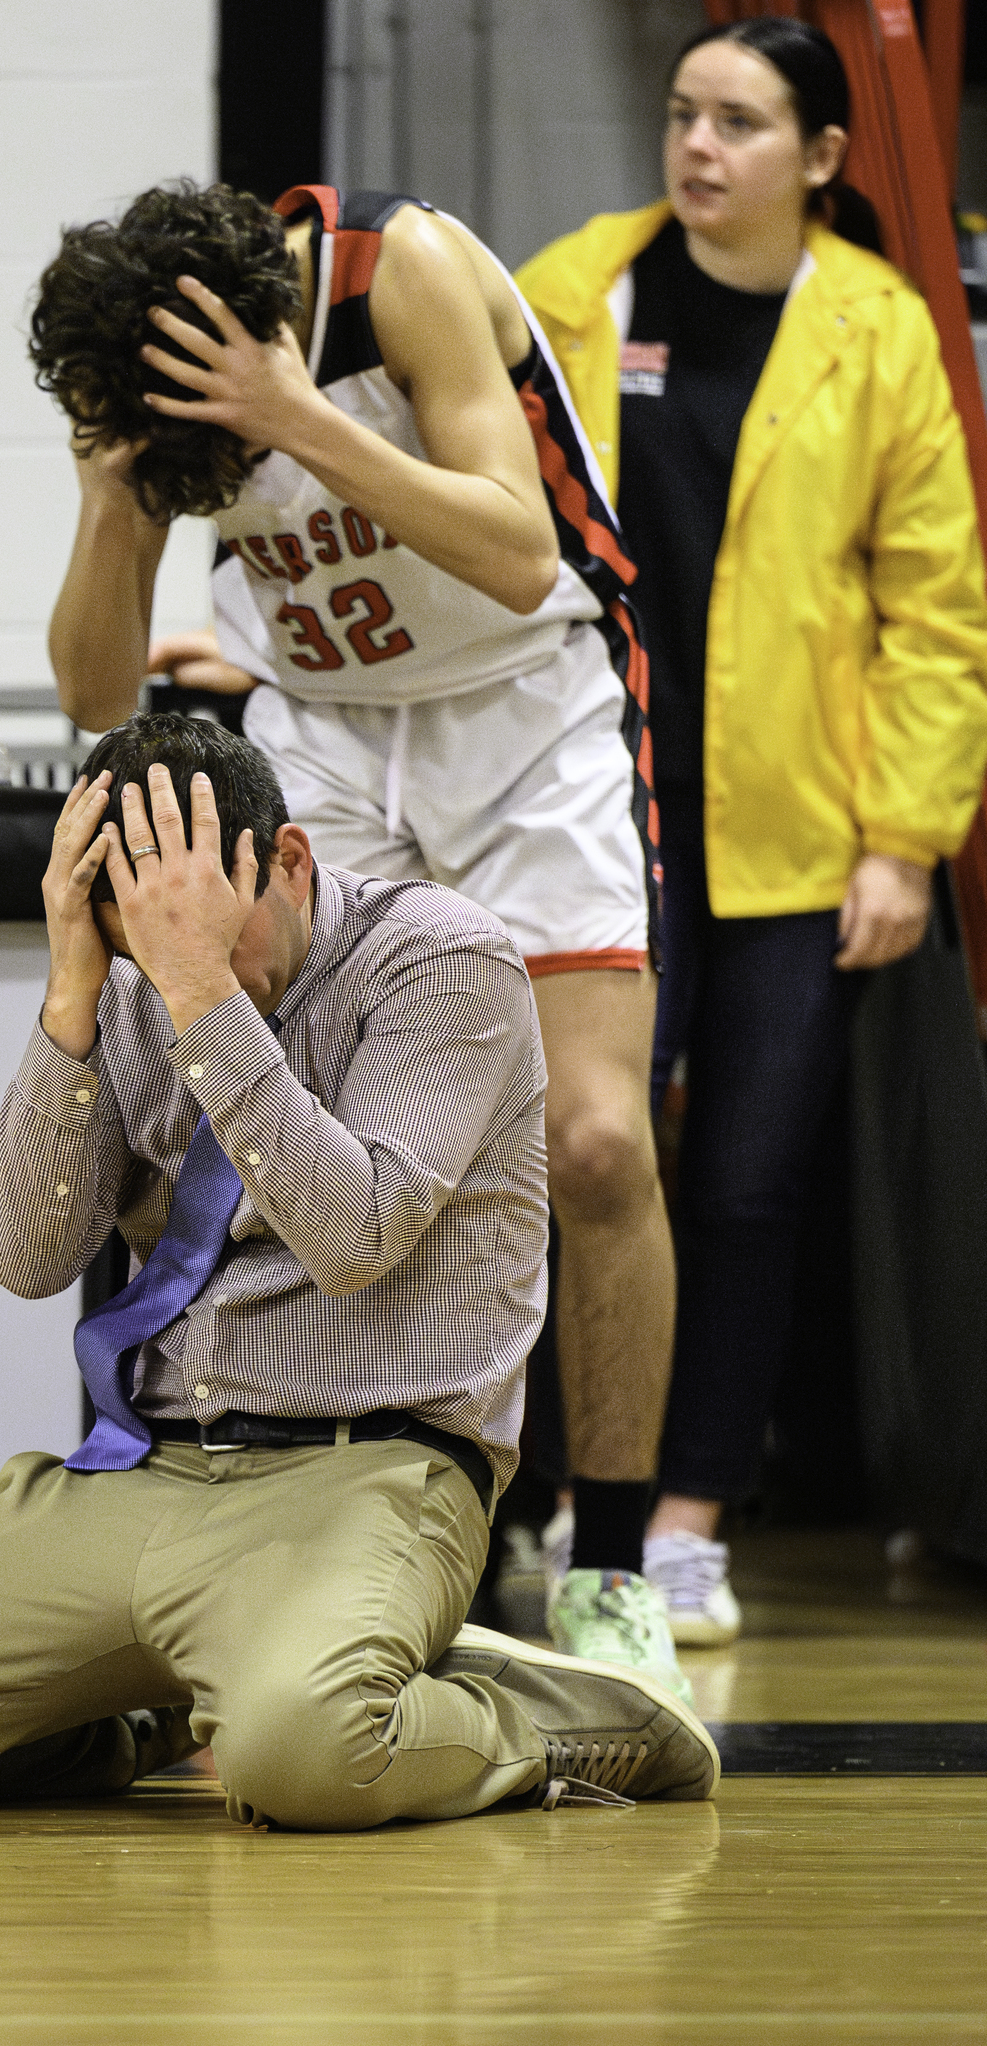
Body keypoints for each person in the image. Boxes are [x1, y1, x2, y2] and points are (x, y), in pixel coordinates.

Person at [0, 713, 718, 1827]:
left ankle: (554, 1713)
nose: (163, 961)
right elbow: (22, 1258)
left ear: (286, 862)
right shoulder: (126, 977)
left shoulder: (441, 959)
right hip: (142, 1469)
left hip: (367, 1473)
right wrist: (70, 1005)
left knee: (304, 1764)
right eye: (137, 937)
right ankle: (178, 1699)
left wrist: (204, 1000)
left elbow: (356, 1237)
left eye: (200, 928)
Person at [32, 181, 689, 1695]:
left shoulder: (405, 271)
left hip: (531, 713)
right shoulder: (155, 376)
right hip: (331, 736)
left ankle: (613, 1560)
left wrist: (292, 410)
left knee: (593, 1142)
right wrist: (106, 486)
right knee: (303, 1142)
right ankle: (342, 1512)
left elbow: (523, 551)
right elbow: (91, 686)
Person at [516, 17, 987, 1642]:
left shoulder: (880, 330)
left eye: (739, 122)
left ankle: (695, 1510)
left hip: (797, 830)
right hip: (598, 809)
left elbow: (936, 609)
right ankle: (594, 1493)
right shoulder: (578, 288)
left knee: (751, 1181)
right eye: (683, 115)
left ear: (826, 159)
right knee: (597, 1157)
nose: (698, 148)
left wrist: (905, 839)